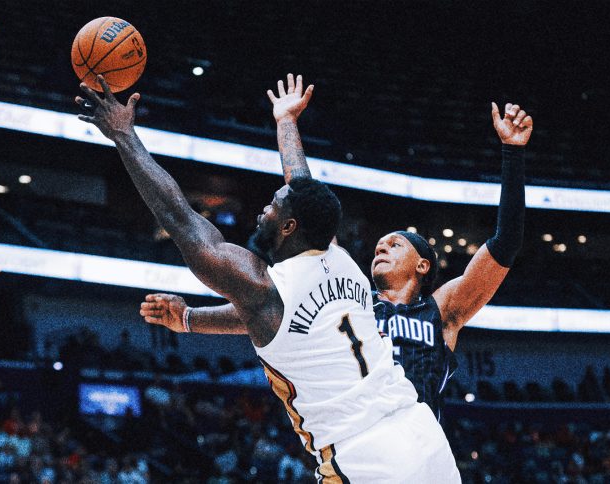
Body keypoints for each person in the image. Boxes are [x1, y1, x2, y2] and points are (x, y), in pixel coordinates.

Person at [75, 75, 459, 482]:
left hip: (365, 455)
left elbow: (179, 217)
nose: (265, 208)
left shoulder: (263, 289)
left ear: (290, 226)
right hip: (422, 432)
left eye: (273, 206)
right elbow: (301, 186)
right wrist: (286, 121)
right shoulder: (340, 258)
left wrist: (124, 135)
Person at [142, 73, 531, 419]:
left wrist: (512, 154)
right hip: (351, 440)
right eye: (380, 244)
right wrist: (286, 122)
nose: (381, 247)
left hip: (413, 450)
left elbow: (506, 243)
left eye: (395, 244)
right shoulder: (350, 293)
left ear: (423, 265)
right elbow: (267, 297)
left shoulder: (442, 311)